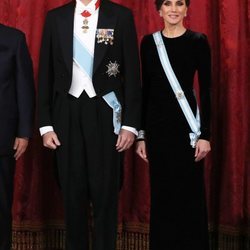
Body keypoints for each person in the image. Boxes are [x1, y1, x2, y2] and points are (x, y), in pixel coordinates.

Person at [38, 0, 141, 249]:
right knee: (72, 193)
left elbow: (133, 74)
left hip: (105, 111)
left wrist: (129, 124)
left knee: (105, 191)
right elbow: (45, 73)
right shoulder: (56, 17)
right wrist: (45, 125)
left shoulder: (121, 16)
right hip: (66, 112)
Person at [136, 0, 211, 249]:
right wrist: (141, 135)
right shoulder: (148, 43)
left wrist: (206, 135)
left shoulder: (198, 41)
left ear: (187, 9)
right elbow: (144, 91)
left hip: (188, 131)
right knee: (163, 197)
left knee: (189, 197)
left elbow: (208, 90)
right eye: (167, 3)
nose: (174, 8)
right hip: (157, 131)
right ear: (159, 10)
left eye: (180, 3)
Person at [0, 24, 35, 250]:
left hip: (2, 138)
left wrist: (24, 131)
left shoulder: (13, 38)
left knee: (1, 205)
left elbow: (24, 86)